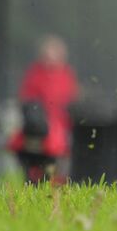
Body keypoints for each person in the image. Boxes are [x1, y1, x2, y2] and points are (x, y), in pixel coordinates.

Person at [7, 35, 79, 184]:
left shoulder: (66, 75)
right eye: (47, 54)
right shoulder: (35, 74)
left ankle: (58, 182)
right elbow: (27, 100)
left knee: (63, 153)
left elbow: (71, 100)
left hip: (61, 127)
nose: (50, 59)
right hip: (39, 126)